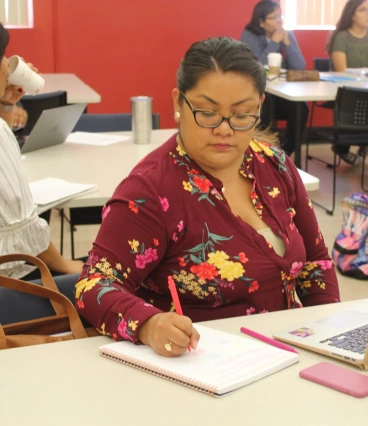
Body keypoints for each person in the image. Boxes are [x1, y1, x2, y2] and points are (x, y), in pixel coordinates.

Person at [75, 36, 340, 358]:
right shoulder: (150, 192)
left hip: (286, 351)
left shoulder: (273, 163)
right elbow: (94, 285)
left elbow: (315, 262)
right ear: (178, 102)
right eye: (207, 112)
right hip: (204, 364)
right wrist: (148, 324)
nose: (225, 129)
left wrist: (330, 337)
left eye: (242, 114)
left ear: (259, 106)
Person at [0, 23, 83, 281]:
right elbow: (23, 235)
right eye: (3, 56)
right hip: (13, 288)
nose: (8, 64)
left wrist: (5, 102)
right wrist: (68, 266)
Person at [241, 0, 308, 156]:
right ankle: (265, 152)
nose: (279, 21)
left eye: (280, 16)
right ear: (261, 22)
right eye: (273, 17)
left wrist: (287, 43)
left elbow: (299, 66)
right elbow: (256, 66)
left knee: (301, 108)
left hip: (283, 90)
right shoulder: (250, 35)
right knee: (266, 108)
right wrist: (274, 42)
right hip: (262, 92)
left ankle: (286, 152)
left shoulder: (287, 35)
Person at [326, 0, 368, 165]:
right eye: (363, 10)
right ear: (352, 15)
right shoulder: (341, 37)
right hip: (347, 91)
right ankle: (342, 147)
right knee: (355, 102)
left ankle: (367, 143)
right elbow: (342, 72)